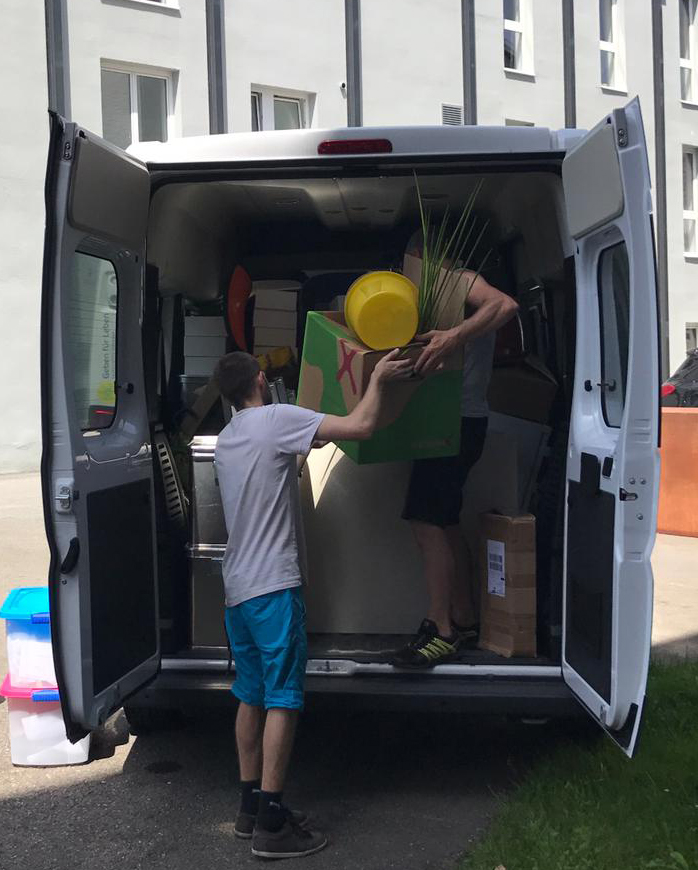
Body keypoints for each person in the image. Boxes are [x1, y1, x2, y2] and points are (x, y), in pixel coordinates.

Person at [212, 348, 414, 859]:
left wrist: (309, 437)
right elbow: (362, 426)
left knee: (251, 694)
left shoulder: (229, 438)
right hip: (274, 588)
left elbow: (282, 461)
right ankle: (273, 824)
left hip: (238, 588)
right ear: (261, 380)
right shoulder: (278, 419)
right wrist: (380, 377)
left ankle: (249, 809)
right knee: (283, 698)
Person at [392, 229, 519, 668]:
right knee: (443, 521)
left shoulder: (460, 280)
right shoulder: (441, 293)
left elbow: (505, 305)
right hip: (453, 423)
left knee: (425, 521)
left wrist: (454, 337)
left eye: (413, 259)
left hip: (455, 424)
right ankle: (463, 618)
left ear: (426, 257)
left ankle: (440, 630)